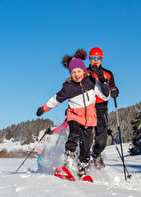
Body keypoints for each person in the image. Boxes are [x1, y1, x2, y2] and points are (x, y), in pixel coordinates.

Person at [36, 49, 110, 179]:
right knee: (74, 134)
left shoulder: (92, 82)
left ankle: (82, 168)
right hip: (74, 116)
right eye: (74, 72)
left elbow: (105, 96)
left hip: (89, 119)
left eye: (79, 71)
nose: (77, 75)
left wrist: (103, 81)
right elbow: (55, 100)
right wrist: (43, 109)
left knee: (86, 146)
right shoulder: (68, 87)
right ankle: (68, 160)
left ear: (84, 71)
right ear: (70, 73)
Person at [87, 47, 119, 168]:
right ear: (89, 58)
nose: (95, 60)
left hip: (101, 108)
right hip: (87, 107)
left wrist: (115, 91)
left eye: (98, 58)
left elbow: (112, 89)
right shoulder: (84, 72)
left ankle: (96, 154)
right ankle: (84, 157)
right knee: (87, 136)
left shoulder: (108, 74)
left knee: (102, 139)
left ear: (102, 58)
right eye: (93, 58)